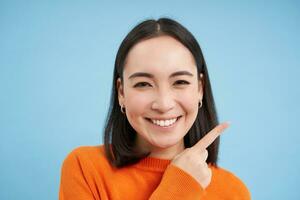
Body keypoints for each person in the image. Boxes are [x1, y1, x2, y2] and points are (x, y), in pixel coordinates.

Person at [59, 18, 251, 200]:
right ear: (121, 93)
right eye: (143, 84)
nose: (164, 104)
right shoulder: (85, 168)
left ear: (200, 89)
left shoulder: (233, 192)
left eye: (180, 82)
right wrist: (179, 188)